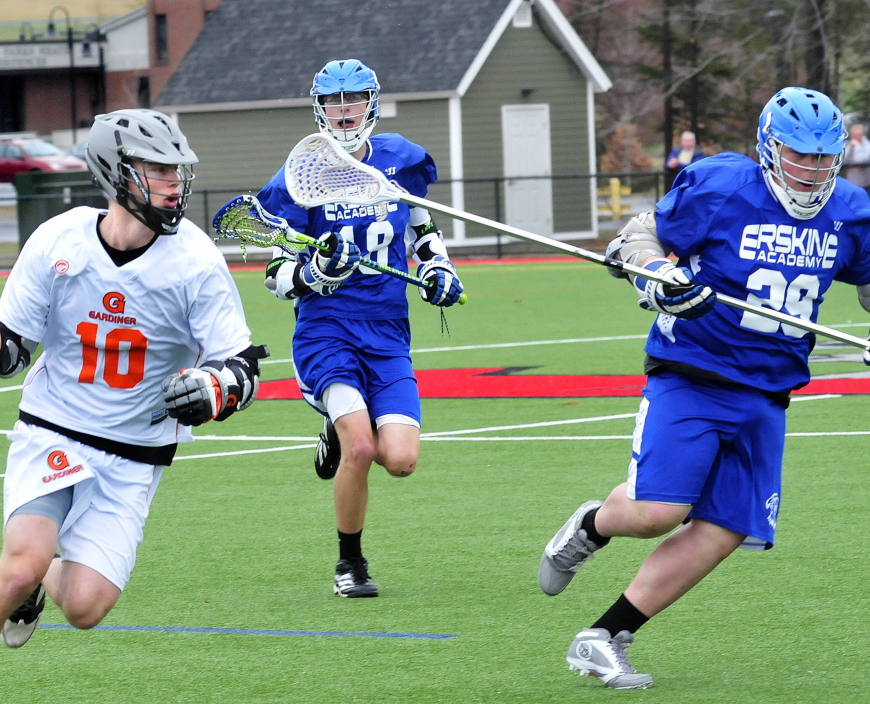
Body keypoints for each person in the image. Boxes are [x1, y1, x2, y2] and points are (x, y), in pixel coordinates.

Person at [0, 108, 268, 703]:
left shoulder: (194, 259)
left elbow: (241, 366)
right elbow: (10, 354)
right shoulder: (58, 240)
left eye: (175, 171)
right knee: (19, 565)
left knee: (84, 607)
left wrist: (213, 391)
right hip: (53, 426)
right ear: (117, 172)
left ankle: (40, 585)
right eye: (158, 170)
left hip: (134, 452)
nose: (172, 184)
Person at [538, 87, 870, 690]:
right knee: (656, 513)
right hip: (695, 372)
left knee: (724, 529)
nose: (813, 170)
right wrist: (661, 276)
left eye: (825, 158)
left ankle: (604, 636)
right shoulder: (723, 186)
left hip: (768, 391)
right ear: (770, 150)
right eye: (800, 155)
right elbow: (637, 236)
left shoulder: (848, 209)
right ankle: (593, 524)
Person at [253, 59, 463, 598]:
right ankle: (350, 563)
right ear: (318, 107)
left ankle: (334, 426)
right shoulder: (300, 175)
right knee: (362, 449)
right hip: (328, 330)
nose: (344, 112)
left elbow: (422, 227)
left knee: (401, 459)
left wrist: (438, 268)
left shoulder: (401, 160)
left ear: (371, 103)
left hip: (388, 330)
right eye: (333, 101)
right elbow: (276, 276)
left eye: (353, 100)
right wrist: (317, 272)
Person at [843, 123, 870, 194]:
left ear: (863, 134)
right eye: (855, 135)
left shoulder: (867, 146)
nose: (857, 137)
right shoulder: (849, 145)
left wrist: (857, 147)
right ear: (852, 135)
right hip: (852, 183)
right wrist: (849, 148)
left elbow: (860, 160)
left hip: (865, 184)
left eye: (859, 134)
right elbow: (842, 159)